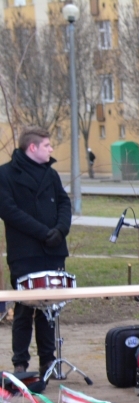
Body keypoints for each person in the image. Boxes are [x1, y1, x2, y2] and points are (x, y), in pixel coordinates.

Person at [0, 128, 71, 376]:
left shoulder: (50, 174)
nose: (51, 150)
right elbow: (8, 210)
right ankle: (20, 364)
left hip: (53, 250)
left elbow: (64, 202)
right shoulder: (6, 174)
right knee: (24, 308)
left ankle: (48, 362)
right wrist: (43, 232)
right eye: (47, 146)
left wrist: (60, 230)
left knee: (49, 310)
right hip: (26, 252)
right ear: (33, 148)